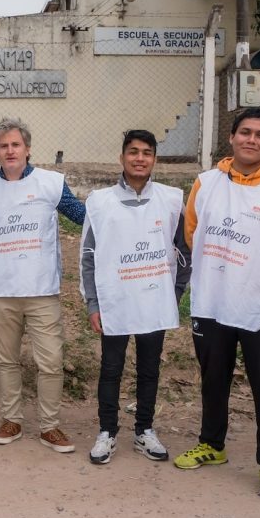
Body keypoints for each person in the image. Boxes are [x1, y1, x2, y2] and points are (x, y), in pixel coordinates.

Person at [172, 107, 260, 505]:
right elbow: (192, 231)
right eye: (245, 133)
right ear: (232, 138)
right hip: (213, 299)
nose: (251, 140)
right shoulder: (206, 183)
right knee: (213, 377)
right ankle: (212, 445)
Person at [0, 117, 86, 453]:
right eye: (3, 146)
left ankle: (50, 426)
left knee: (50, 361)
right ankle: (12, 420)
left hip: (42, 290)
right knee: (6, 360)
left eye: (15, 145)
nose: (10, 151)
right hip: (1, 290)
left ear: (28, 148)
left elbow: (80, 216)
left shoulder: (51, 184)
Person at [79, 130, 191, 465]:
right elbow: (88, 255)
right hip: (115, 302)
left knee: (149, 369)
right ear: (122, 157)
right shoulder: (99, 202)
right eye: (133, 152)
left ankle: (144, 430)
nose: (140, 158)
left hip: (154, 300)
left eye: (146, 152)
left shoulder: (171, 200)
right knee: (110, 368)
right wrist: (94, 304)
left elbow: (185, 253)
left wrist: (174, 294)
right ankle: (107, 432)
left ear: (154, 159)